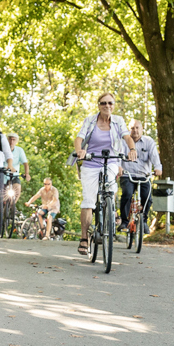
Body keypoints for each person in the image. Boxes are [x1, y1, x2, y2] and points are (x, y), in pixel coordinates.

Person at [73, 92, 136, 255]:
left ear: (113, 105)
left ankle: (109, 212)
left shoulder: (118, 121)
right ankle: (84, 238)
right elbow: (79, 137)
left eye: (110, 103)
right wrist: (80, 150)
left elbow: (126, 137)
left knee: (110, 188)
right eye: (103, 103)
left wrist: (132, 149)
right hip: (91, 162)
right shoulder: (90, 121)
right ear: (98, 105)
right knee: (88, 200)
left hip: (111, 161)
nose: (107, 106)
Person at [118, 119, 162, 234]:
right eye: (132, 128)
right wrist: (119, 167)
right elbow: (118, 156)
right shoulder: (123, 142)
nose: (135, 130)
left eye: (137, 128)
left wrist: (158, 168)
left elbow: (155, 157)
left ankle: (143, 221)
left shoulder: (148, 142)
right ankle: (124, 221)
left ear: (142, 129)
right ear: (129, 130)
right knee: (127, 193)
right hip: (128, 175)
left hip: (143, 175)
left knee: (147, 198)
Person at [6, 132, 30, 204]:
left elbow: (25, 163)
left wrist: (27, 174)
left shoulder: (19, 150)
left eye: (14, 140)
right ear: (7, 140)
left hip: (14, 175)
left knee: (17, 189)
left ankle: (12, 207)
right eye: (10, 139)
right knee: (1, 194)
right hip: (3, 175)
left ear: (16, 141)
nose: (12, 141)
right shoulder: (3, 149)